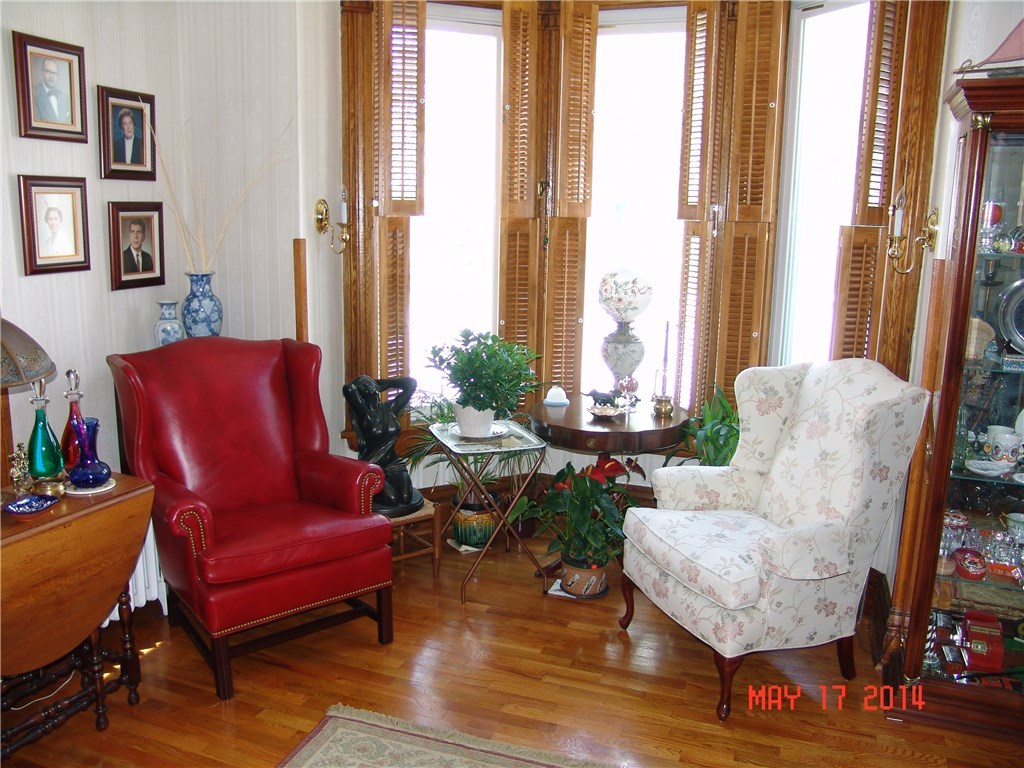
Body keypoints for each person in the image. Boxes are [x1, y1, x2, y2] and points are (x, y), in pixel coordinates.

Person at [343, 375, 424, 517]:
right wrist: (364, 385)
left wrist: (383, 384)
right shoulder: (364, 414)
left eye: (369, 382)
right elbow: (348, 388)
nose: (367, 385)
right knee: (392, 500)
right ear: (359, 392)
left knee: (406, 497)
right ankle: (368, 496)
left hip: (394, 463)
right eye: (363, 385)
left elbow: (411, 383)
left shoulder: (390, 408)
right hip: (373, 466)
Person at [32, 57, 72, 124]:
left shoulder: (64, 97)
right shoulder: (33, 94)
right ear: (42, 72)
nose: (52, 76)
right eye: (48, 71)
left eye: (55, 73)